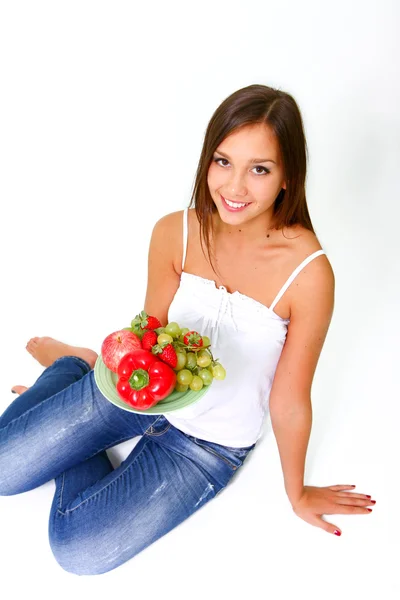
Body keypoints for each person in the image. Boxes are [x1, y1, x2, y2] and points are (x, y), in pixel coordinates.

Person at [1, 84, 375, 576]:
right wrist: (106, 388)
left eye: (259, 169)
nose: (235, 188)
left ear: (288, 177)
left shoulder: (308, 274)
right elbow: (149, 331)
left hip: (207, 447)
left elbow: (289, 397)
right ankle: (78, 368)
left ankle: (72, 385)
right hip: (144, 391)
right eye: (223, 162)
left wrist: (297, 491)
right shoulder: (173, 231)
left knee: (79, 552)